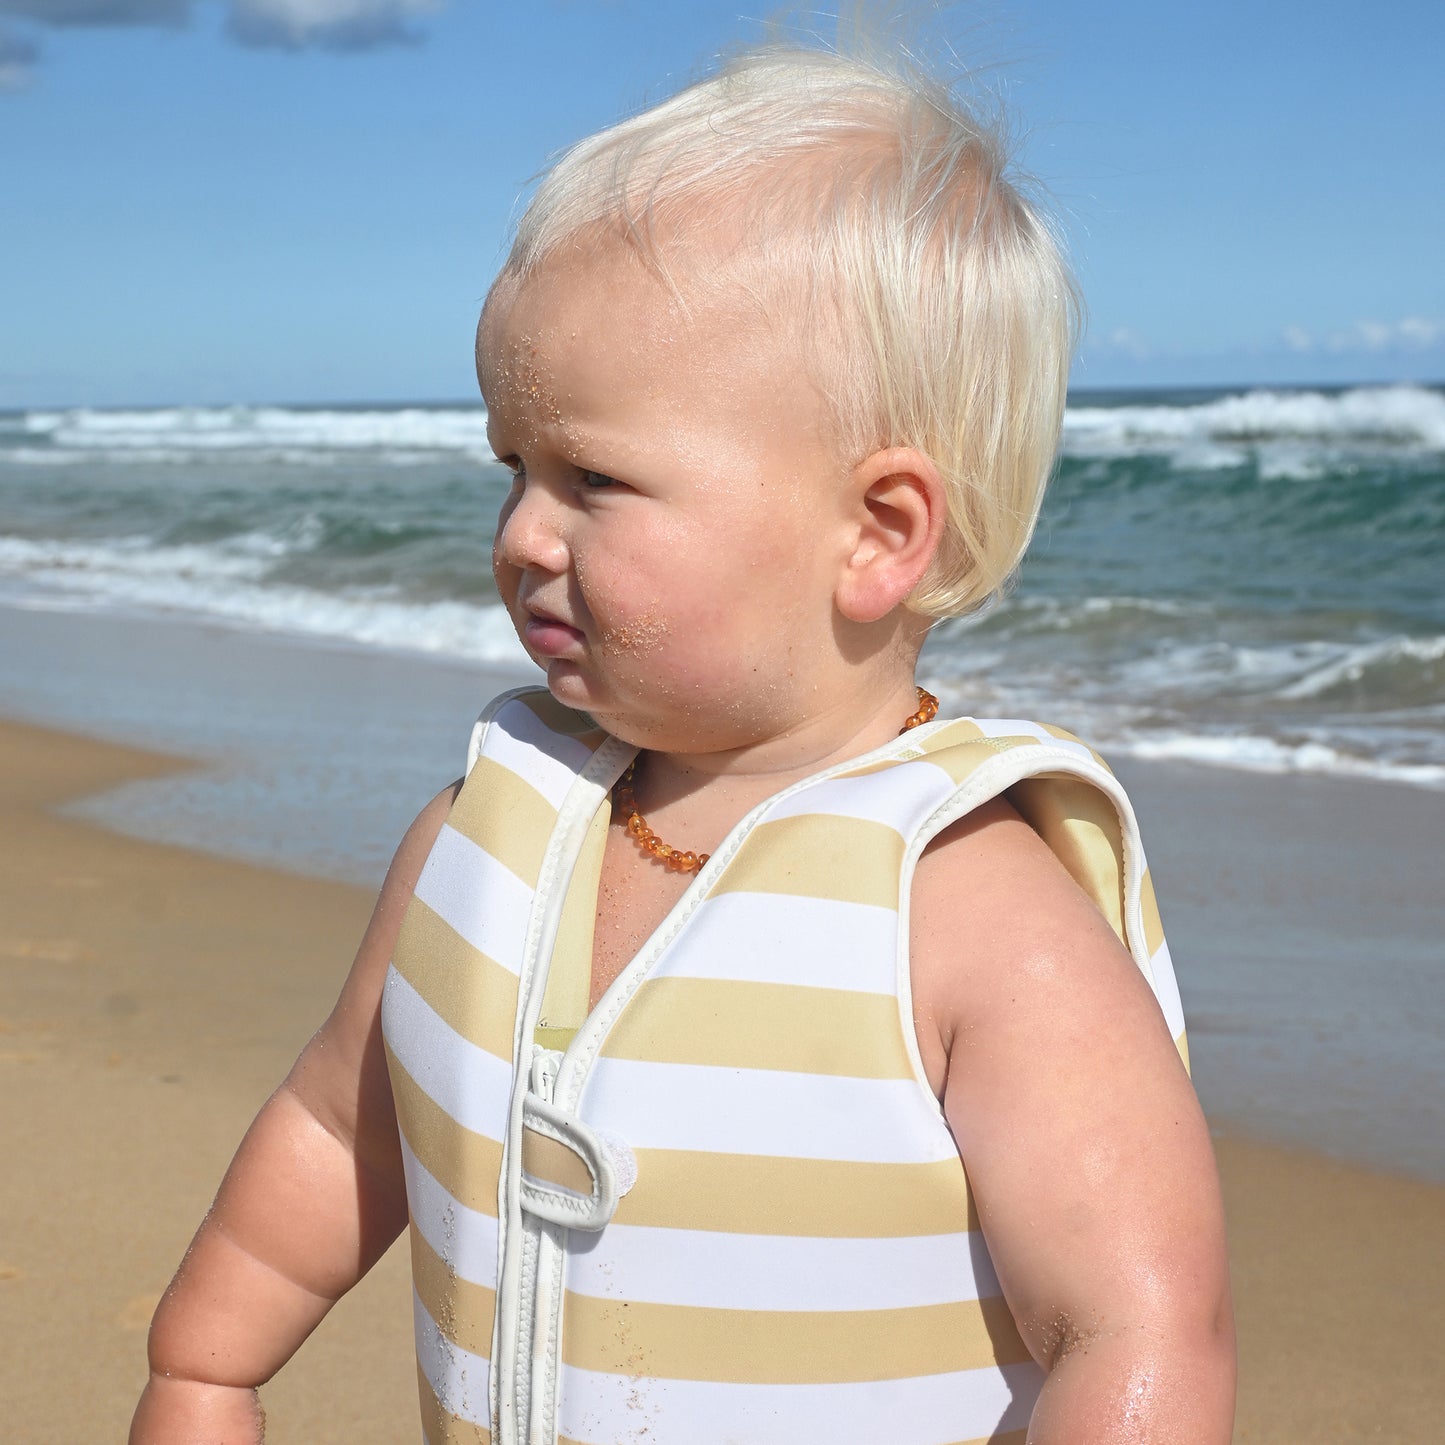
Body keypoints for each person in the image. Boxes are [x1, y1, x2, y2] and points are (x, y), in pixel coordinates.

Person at [131, 38, 1234, 1445]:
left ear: (877, 532)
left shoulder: (967, 907)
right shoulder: (479, 834)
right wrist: (204, 1370)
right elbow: (338, 1126)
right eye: (513, 466)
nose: (523, 534)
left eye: (593, 477)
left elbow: (1137, 1325)